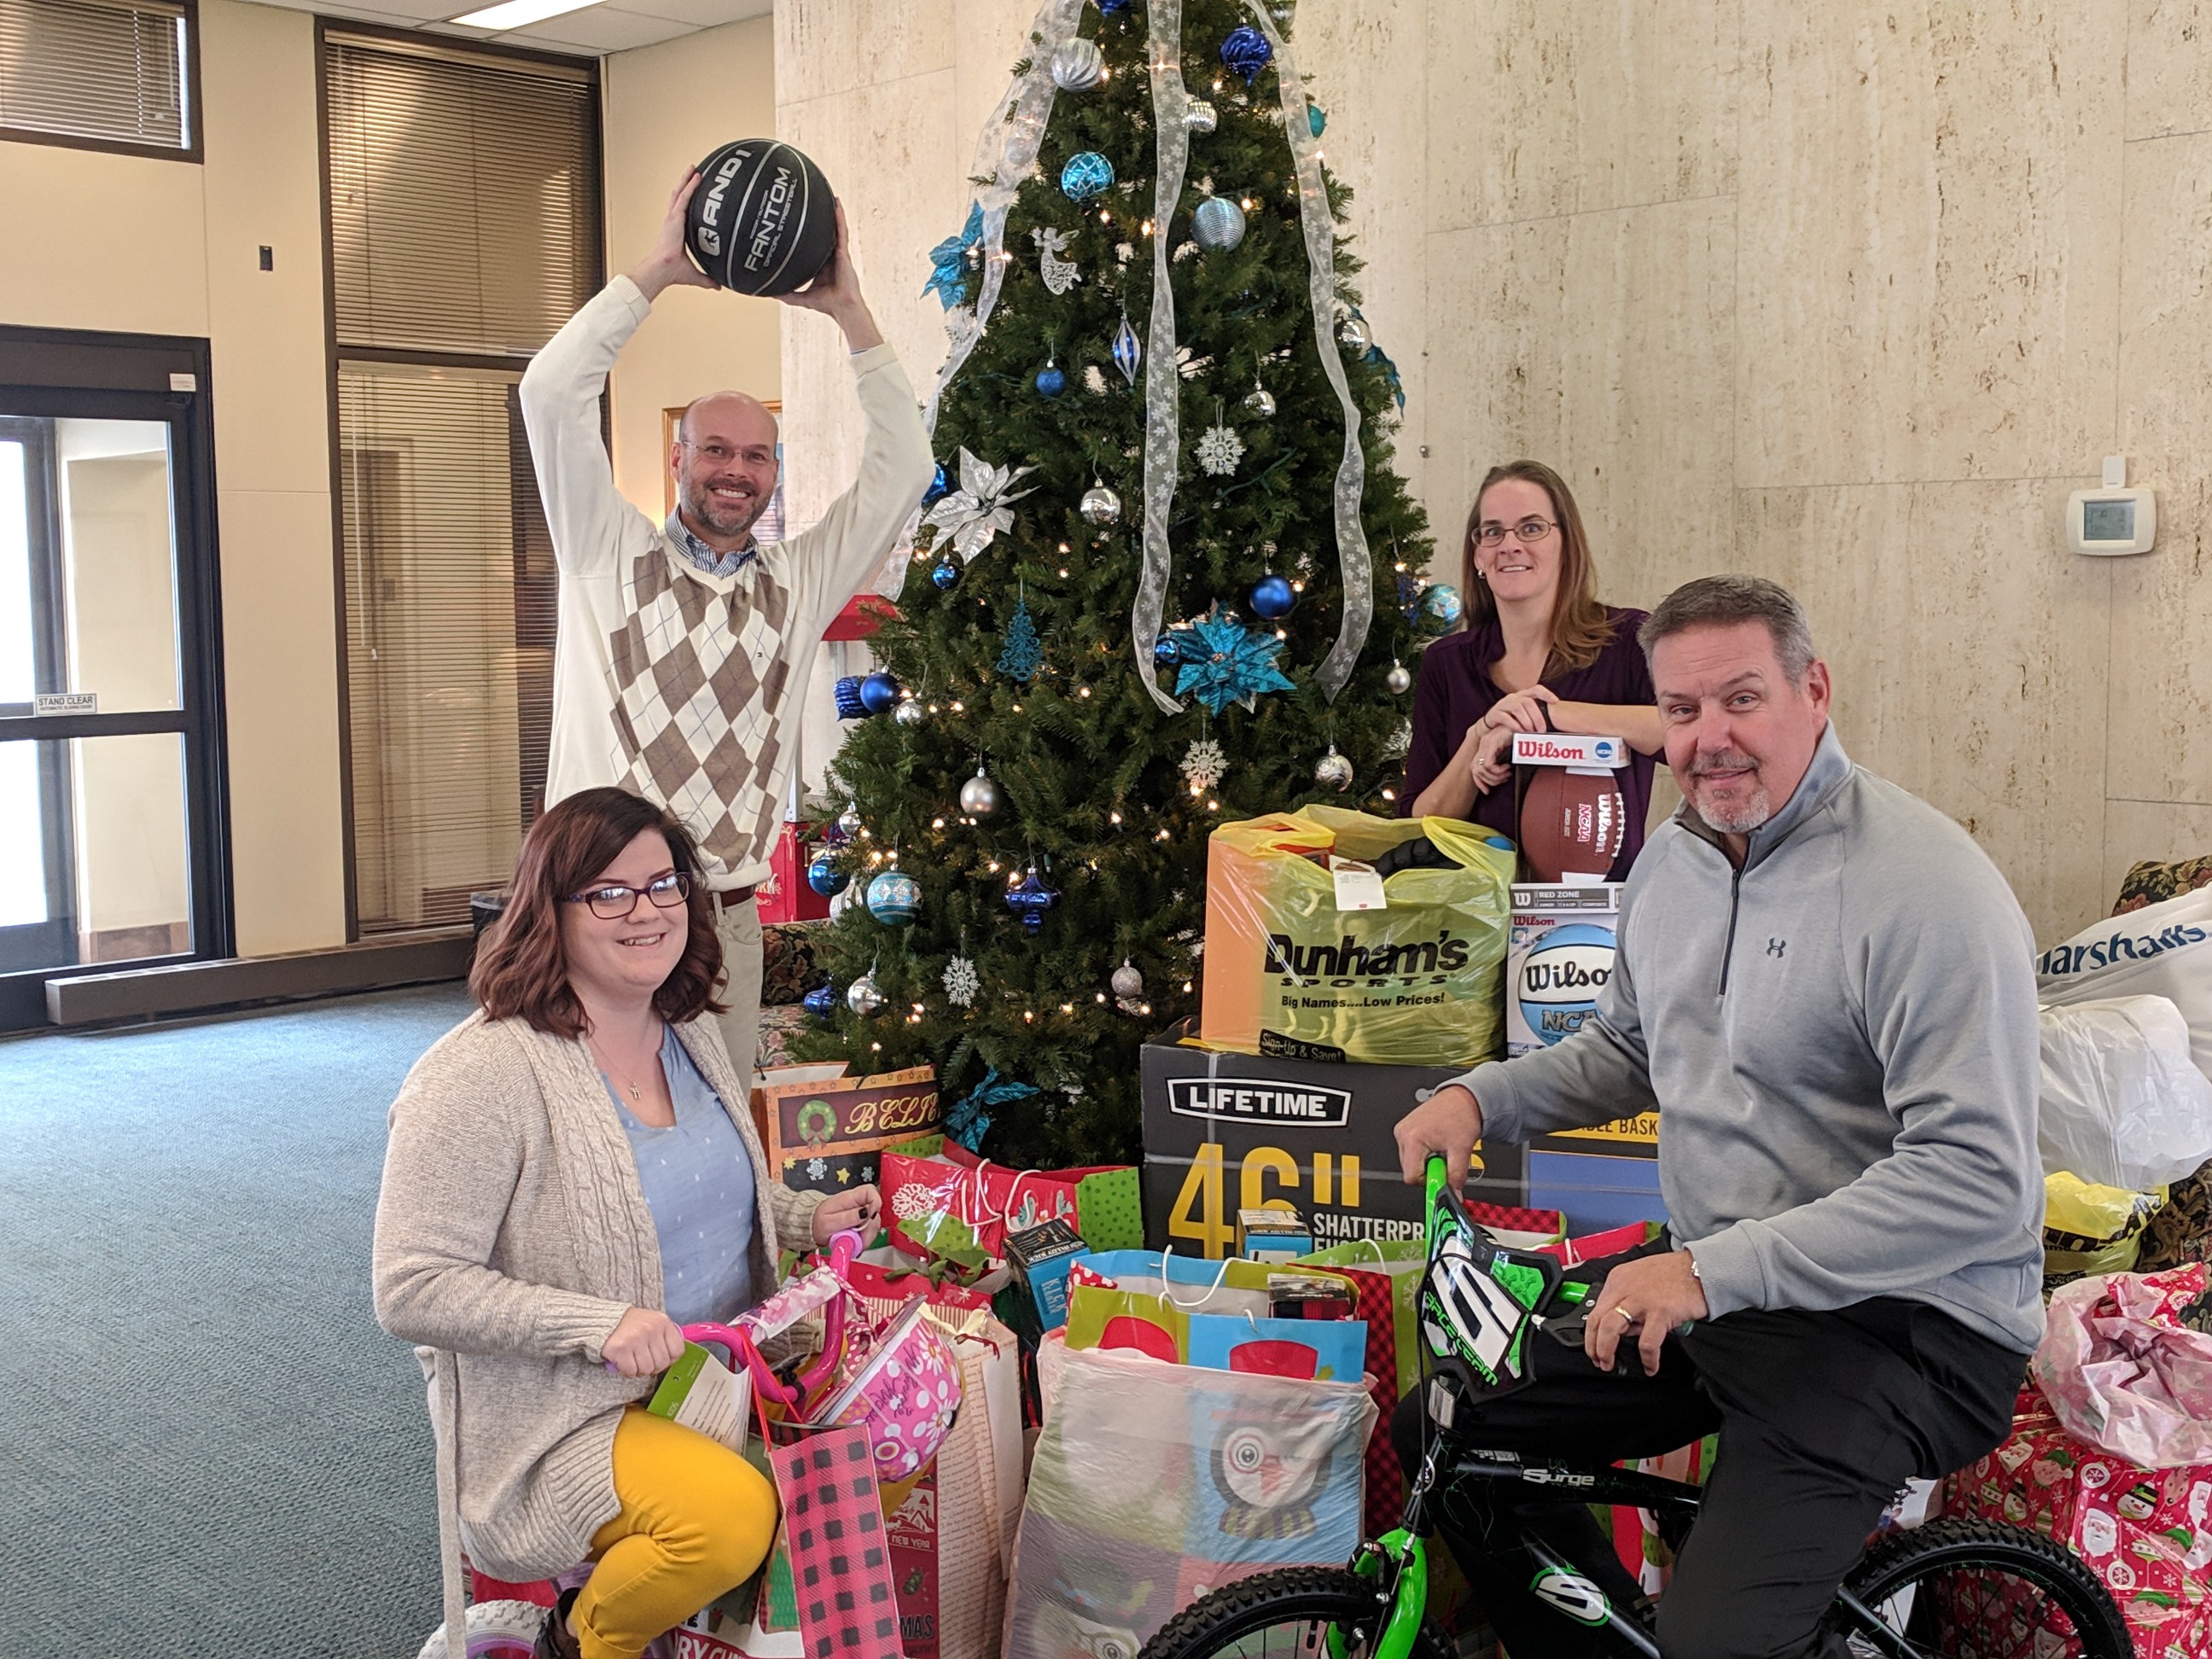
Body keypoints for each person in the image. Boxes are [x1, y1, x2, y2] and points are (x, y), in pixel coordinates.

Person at [1390, 575, 2044, 1658]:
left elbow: (1978, 1179)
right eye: (1683, 713)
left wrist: (1704, 1272)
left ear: (1815, 691)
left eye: (1742, 700)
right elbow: (1633, 1049)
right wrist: (1477, 1095)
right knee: (1448, 1435)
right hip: (1722, 1287)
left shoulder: (1924, 888)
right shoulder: (1678, 859)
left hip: (1902, 1326)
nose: (1710, 740)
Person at [374, 788, 882, 1659]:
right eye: (609, 893)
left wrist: (802, 1215)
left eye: (663, 886)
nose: (644, 911)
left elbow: (698, 1196)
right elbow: (410, 1288)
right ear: (551, 913)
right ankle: (583, 1641)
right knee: (728, 1521)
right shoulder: (477, 1075)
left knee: (872, 1448)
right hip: (563, 1417)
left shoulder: (686, 1030)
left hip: (713, 1379)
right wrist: (597, 1326)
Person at [520, 171, 934, 1101]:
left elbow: (906, 461)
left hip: (725, 924)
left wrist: (850, 311)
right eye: (715, 450)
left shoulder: (799, 582)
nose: (735, 472)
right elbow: (550, 394)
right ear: (679, 460)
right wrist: (658, 274)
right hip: (600, 911)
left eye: (755, 455)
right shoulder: (606, 553)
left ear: (774, 473)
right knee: (588, 1137)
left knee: (718, 1144)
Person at [1402, 462, 1662, 878]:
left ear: (1567, 543)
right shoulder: (1446, 663)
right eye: (1492, 532)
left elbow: (1681, 731)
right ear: (1478, 558)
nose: (1509, 545)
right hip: (1477, 925)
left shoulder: (1629, 640)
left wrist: (1547, 716)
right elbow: (1420, 821)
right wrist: (1478, 738)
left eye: (1531, 528)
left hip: (1596, 927)